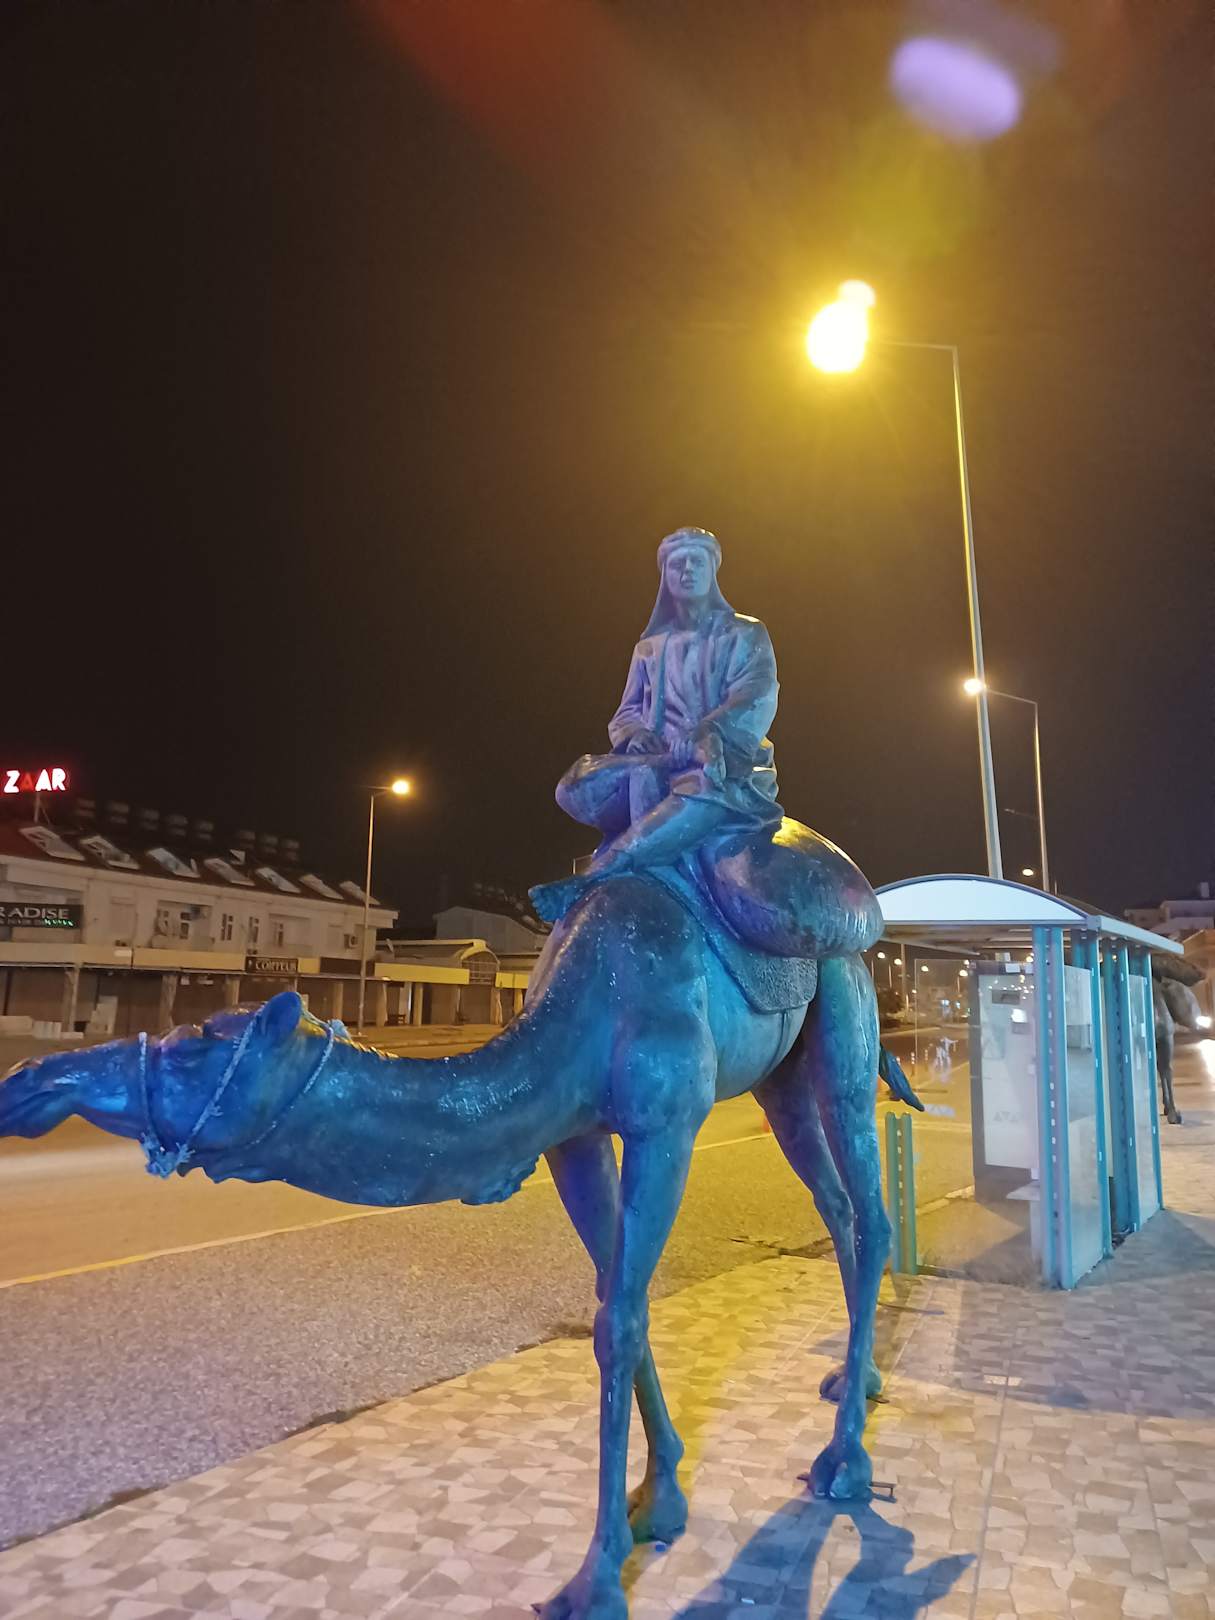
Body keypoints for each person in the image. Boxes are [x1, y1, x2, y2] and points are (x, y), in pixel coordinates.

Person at [533, 526, 782, 919]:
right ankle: (648, 861)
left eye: (696, 562)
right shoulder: (649, 648)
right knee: (576, 783)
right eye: (677, 564)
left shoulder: (745, 634)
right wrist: (636, 734)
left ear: (712, 570)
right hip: (658, 760)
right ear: (665, 576)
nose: (687, 570)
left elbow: (755, 694)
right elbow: (627, 711)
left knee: (701, 788)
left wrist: (709, 731)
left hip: (720, 763)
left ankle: (604, 872)